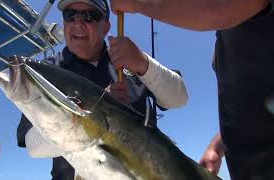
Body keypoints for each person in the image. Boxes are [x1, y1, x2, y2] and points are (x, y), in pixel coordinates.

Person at [17, 0, 188, 179]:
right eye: (70, 15)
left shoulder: (129, 58)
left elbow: (179, 99)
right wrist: (99, 106)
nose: (78, 23)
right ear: (64, 22)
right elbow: (33, 146)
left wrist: (143, 63)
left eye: (90, 16)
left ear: (106, 27)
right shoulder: (46, 71)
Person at [109, 0, 274, 179]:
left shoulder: (232, 12)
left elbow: (218, 10)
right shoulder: (226, 44)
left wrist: (136, 3)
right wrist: (218, 145)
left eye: (91, 16)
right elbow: (256, 105)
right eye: (71, 16)